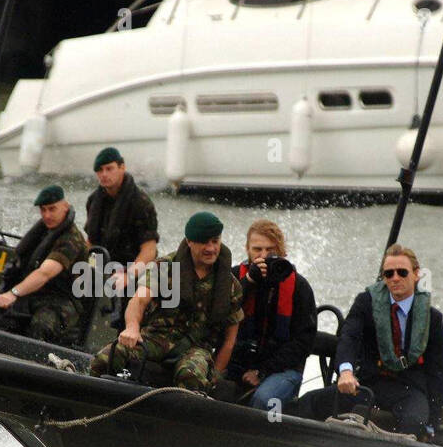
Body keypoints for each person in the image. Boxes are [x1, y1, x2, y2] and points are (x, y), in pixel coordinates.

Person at [293, 244, 443, 438]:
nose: (395, 278)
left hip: (408, 389)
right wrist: (346, 372)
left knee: (414, 423)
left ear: (416, 274)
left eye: (402, 272)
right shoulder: (366, 303)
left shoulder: (431, 318)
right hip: (367, 382)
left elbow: (438, 371)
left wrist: (433, 420)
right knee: (308, 402)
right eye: (389, 274)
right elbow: (349, 336)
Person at [88, 211, 242, 392]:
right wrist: (132, 327)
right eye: (204, 242)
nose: (210, 248)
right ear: (189, 242)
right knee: (107, 357)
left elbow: (230, 340)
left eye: (215, 242)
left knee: (190, 376)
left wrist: (215, 374)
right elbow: (139, 300)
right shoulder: (164, 267)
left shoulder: (230, 285)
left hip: (196, 347)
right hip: (156, 337)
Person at [227, 219, 318, 412]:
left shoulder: (299, 286)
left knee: (265, 400)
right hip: (238, 360)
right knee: (218, 390)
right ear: (247, 249)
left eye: (270, 250)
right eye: (257, 249)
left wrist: (263, 371)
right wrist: (249, 281)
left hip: (282, 368)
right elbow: (220, 315)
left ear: (281, 251)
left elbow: (303, 342)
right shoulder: (235, 278)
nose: (264, 256)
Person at [0, 186, 90, 346]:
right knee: (0, 317)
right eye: (43, 210)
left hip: (62, 301)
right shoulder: (43, 233)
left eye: (52, 209)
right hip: (35, 295)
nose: (47, 215)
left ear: (65, 206)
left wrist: (14, 293)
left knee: (41, 325)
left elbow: (45, 273)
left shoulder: (71, 240)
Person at [84, 147, 160, 294]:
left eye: (109, 168)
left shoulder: (141, 203)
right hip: (103, 266)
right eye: (100, 170)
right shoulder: (93, 201)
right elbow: (91, 242)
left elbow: (149, 250)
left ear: (122, 167)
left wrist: (128, 276)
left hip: (133, 269)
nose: (104, 174)